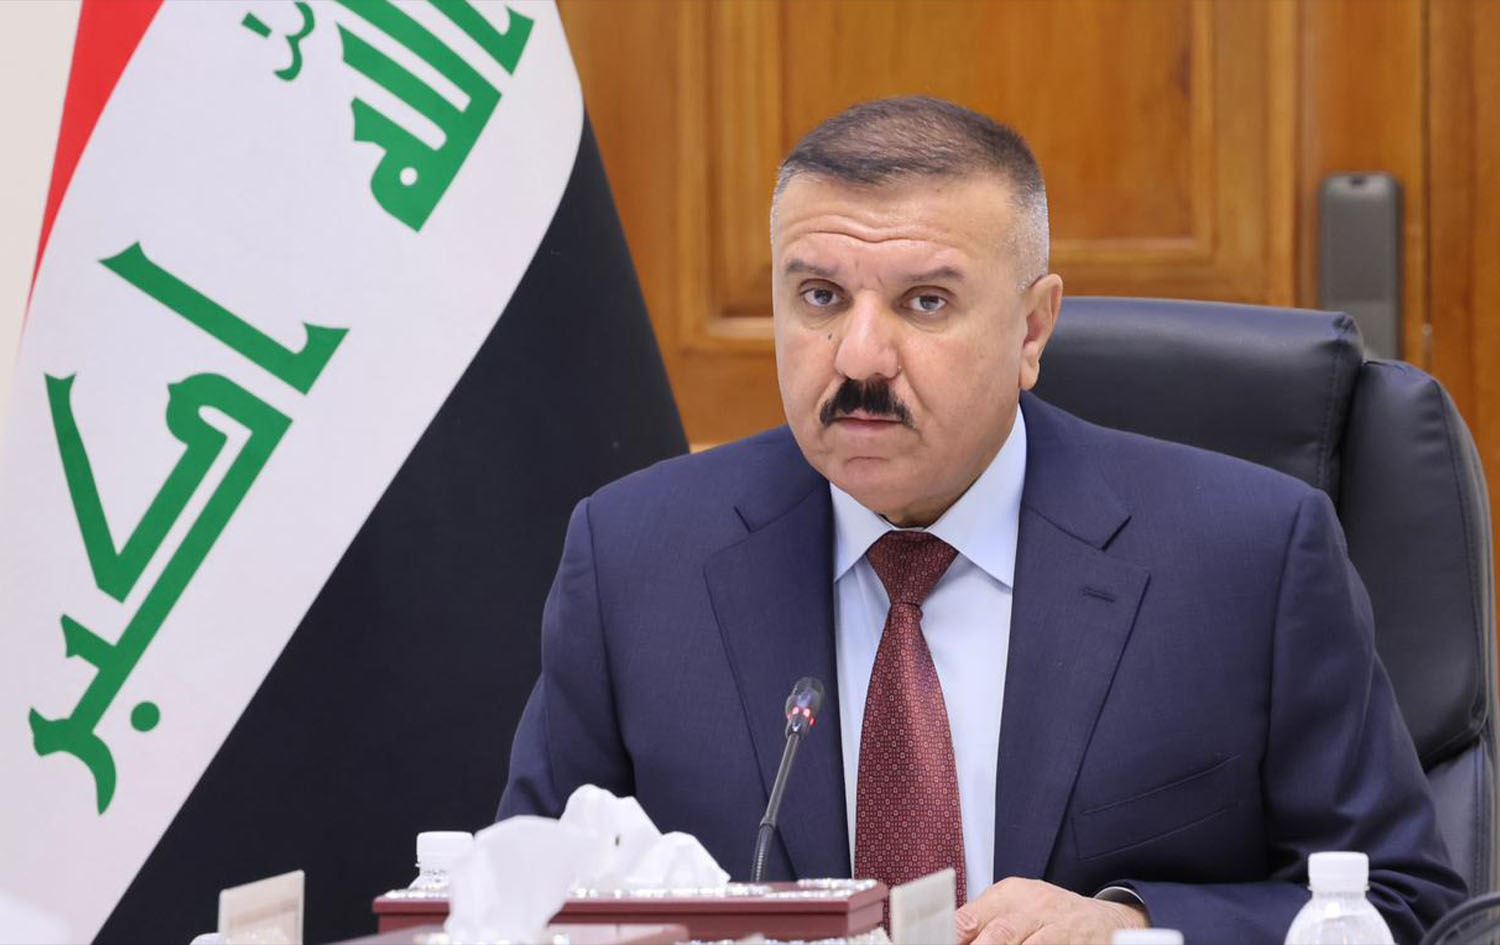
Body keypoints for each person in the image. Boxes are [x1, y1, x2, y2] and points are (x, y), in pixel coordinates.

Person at [499, 97, 1465, 944]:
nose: (859, 357)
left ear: (1033, 329)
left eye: (925, 302)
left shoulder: (1246, 557)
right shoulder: (635, 559)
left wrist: (1134, 927)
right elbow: (516, 909)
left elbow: (1405, 906)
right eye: (820, 296)